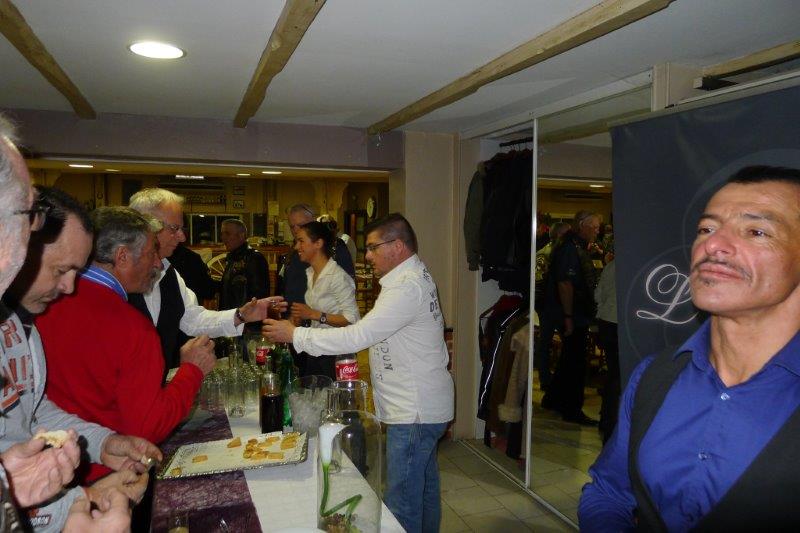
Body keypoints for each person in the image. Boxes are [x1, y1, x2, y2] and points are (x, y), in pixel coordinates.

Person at [580, 166, 800, 530]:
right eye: (706, 229)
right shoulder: (655, 376)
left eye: (756, 231)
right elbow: (610, 491)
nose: (712, 245)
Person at [0, 125, 151, 532]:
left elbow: (30, 412)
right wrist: (78, 509)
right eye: (61, 270)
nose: (69, 288)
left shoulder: (20, 326)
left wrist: (102, 443)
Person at [264, 213, 454, 533]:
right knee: (423, 489)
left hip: (415, 410)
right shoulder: (408, 278)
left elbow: (358, 335)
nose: (367, 256)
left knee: (403, 500)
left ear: (397, 246)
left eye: (373, 247)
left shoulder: (406, 288)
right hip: (420, 404)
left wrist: (296, 335)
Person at [37, 207, 215, 484]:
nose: (158, 264)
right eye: (151, 254)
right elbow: (148, 427)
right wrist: (192, 371)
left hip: (43, 468)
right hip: (105, 477)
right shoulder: (132, 328)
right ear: (122, 257)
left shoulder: (41, 303)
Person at [127, 189, 274, 370]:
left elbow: (192, 318)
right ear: (147, 227)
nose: (182, 237)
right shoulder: (116, 278)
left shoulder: (169, 273)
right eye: (175, 228)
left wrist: (241, 315)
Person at [541, 210, 600, 425]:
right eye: (594, 227)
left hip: (572, 312)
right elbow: (565, 283)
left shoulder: (572, 245)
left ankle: (553, 399)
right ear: (582, 225)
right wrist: (568, 317)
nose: (597, 231)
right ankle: (572, 409)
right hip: (572, 313)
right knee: (575, 362)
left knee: (569, 358)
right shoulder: (570, 248)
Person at [289, 221, 360, 378]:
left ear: (318, 243)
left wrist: (313, 314)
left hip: (336, 352)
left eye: (301, 241)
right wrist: (298, 317)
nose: (296, 247)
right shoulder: (310, 273)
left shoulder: (338, 277)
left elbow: (352, 319)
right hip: (317, 347)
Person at [280, 203, 355, 307]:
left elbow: (347, 289)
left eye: (301, 225)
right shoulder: (294, 250)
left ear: (314, 221)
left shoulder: (334, 246)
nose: (296, 230)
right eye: (292, 227)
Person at [534, 221, 570, 391]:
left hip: (551, 304)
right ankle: (547, 379)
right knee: (547, 342)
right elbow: (539, 281)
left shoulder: (550, 252)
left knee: (546, 343)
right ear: (560, 235)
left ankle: (548, 378)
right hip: (551, 305)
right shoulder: (548, 254)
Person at [218, 218, 270, 334]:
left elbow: (259, 296)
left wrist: (249, 325)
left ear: (241, 235)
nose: (223, 238)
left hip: (246, 326)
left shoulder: (254, 259)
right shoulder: (232, 258)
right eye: (222, 234)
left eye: (227, 233)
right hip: (232, 321)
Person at [594, 254, 618, 444]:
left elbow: (598, 295)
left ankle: (606, 418)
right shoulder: (634, 268)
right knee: (618, 377)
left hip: (606, 322)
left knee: (613, 374)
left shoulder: (611, 266)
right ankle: (611, 422)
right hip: (619, 324)